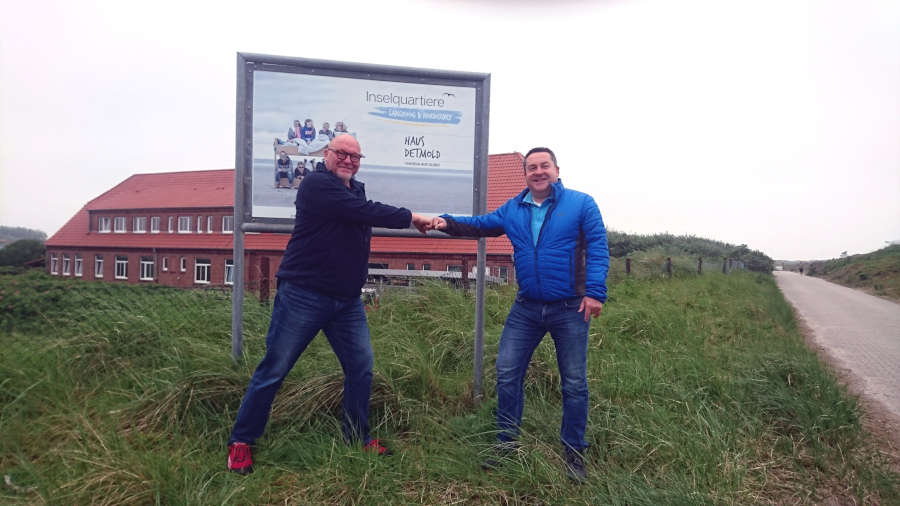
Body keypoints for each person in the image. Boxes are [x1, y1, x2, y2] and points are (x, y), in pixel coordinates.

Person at [227, 134, 433, 475]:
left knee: (361, 368)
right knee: (274, 369)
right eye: (342, 153)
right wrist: (412, 216)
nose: (349, 160)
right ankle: (241, 442)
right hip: (303, 295)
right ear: (327, 154)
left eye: (355, 156)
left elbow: (357, 215)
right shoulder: (315, 185)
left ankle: (356, 438)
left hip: (347, 302)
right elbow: (360, 212)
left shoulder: (355, 189)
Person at [432, 147, 609, 482]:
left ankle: (573, 453)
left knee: (573, 383)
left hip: (570, 307)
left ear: (557, 170)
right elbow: (481, 225)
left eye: (545, 166)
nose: (538, 172)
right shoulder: (514, 208)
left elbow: (599, 247)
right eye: (532, 167)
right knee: (507, 372)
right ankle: (506, 445)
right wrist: (447, 223)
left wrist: (595, 293)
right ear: (525, 173)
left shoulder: (581, 204)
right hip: (527, 307)